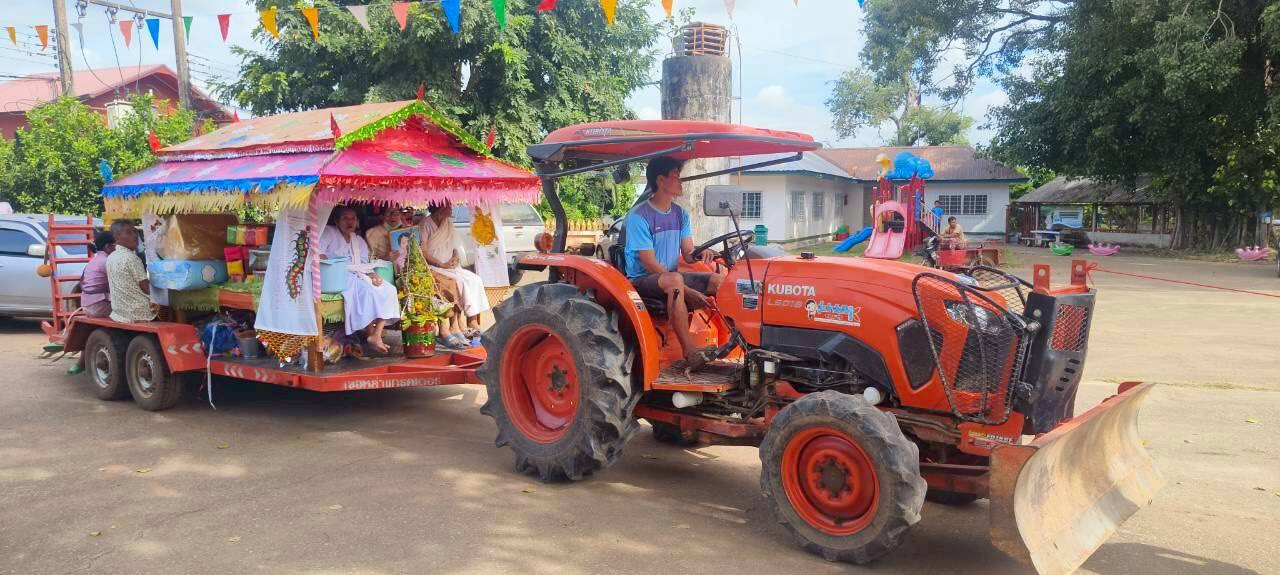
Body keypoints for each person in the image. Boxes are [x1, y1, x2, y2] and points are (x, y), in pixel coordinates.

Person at [624, 156, 722, 369]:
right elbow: (649, 263)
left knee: (719, 280)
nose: (681, 181)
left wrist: (703, 253)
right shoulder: (639, 217)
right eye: (676, 176)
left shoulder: (680, 214)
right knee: (675, 281)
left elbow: (688, 254)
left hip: (671, 276)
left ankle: (736, 344)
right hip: (642, 280)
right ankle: (690, 351)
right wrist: (687, 291)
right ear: (661, 180)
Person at [320, 206, 401, 353]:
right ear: (337, 221)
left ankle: (376, 334)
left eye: (353, 218)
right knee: (368, 291)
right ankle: (369, 332)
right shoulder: (329, 233)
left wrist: (373, 275)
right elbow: (318, 253)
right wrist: (332, 264)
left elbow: (364, 264)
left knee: (389, 289)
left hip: (359, 273)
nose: (349, 222)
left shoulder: (358, 240)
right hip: (338, 275)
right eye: (345, 218)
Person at [419, 202, 490, 338]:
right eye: (448, 206)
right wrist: (441, 264)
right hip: (434, 266)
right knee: (459, 282)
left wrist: (455, 257)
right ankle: (453, 326)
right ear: (440, 208)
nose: (452, 209)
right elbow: (423, 252)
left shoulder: (448, 223)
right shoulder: (425, 224)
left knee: (475, 280)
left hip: (451, 266)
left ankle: (472, 321)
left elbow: (455, 247)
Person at [105, 221, 154, 323]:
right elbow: (147, 289)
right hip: (139, 312)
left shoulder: (111, 257)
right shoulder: (131, 258)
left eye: (135, 232)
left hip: (120, 312)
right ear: (117, 237)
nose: (135, 236)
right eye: (128, 232)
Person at [79, 231, 115, 318]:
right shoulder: (107, 261)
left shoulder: (96, 260)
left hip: (88, 305)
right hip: (98, 306)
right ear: (108, 247)